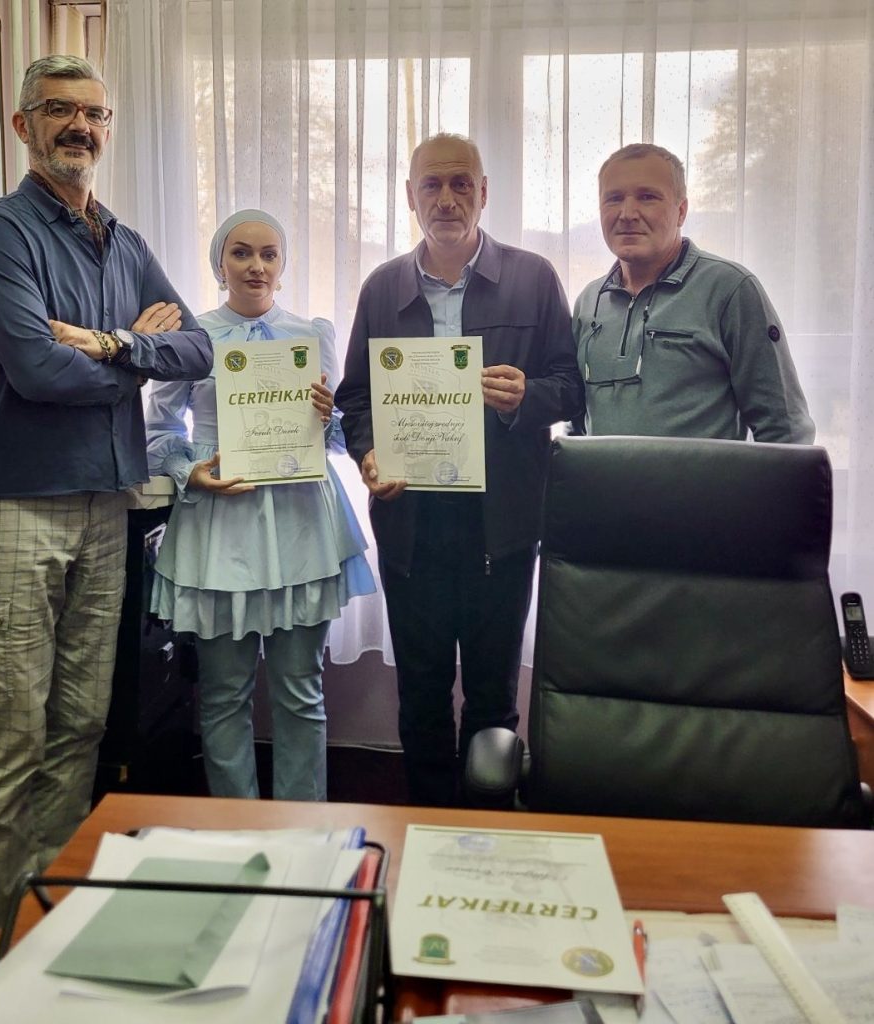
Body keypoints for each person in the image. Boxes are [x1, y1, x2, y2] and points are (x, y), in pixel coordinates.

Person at [0, 55, 211, 945]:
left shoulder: (123, 241)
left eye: (95, 114)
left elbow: (198, 348)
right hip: (11, 510)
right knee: (12, 738)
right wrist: (134, 352)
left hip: (106, 506)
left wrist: (107, 343)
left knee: (81, 728)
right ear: (23, 125)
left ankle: (47, 926)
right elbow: (36, 371)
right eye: (59, 110)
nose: (80, 127)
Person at [335, 133, 584, 807]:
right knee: (419, 693)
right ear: (409, 196)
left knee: (492, 696)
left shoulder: (533, 278)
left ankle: (486, 827)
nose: (446, 199)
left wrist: (527, 396)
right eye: (431, 185)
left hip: (501, 528)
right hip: (410, 526)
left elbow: (571, 388)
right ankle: (426, 825)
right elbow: (355, 399)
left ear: (483, 192)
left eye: (460, 184)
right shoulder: (382, 287)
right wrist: (367, 453)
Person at [145, 209, 376, 802]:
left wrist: (327, 416)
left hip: (300, 525)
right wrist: (190, 471)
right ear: (219, 263)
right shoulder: (192, 338)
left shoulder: (311, 333)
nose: (256, 266)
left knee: (302, 690)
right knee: (224, 695)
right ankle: (235, 830)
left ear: (282, 263)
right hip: (220, 526)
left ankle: (304, 829)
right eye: (242, 253)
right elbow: (158, 430)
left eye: (269, 254)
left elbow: (334, 438)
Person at [574, 142, 814, 442]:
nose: (627, 213)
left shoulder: (730, 289)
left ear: (681, 211)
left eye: (647, 197)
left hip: (709, 477)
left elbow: (786, 428)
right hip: (601, 477)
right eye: (614, 198)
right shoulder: (589, 302)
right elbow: (576, 425)